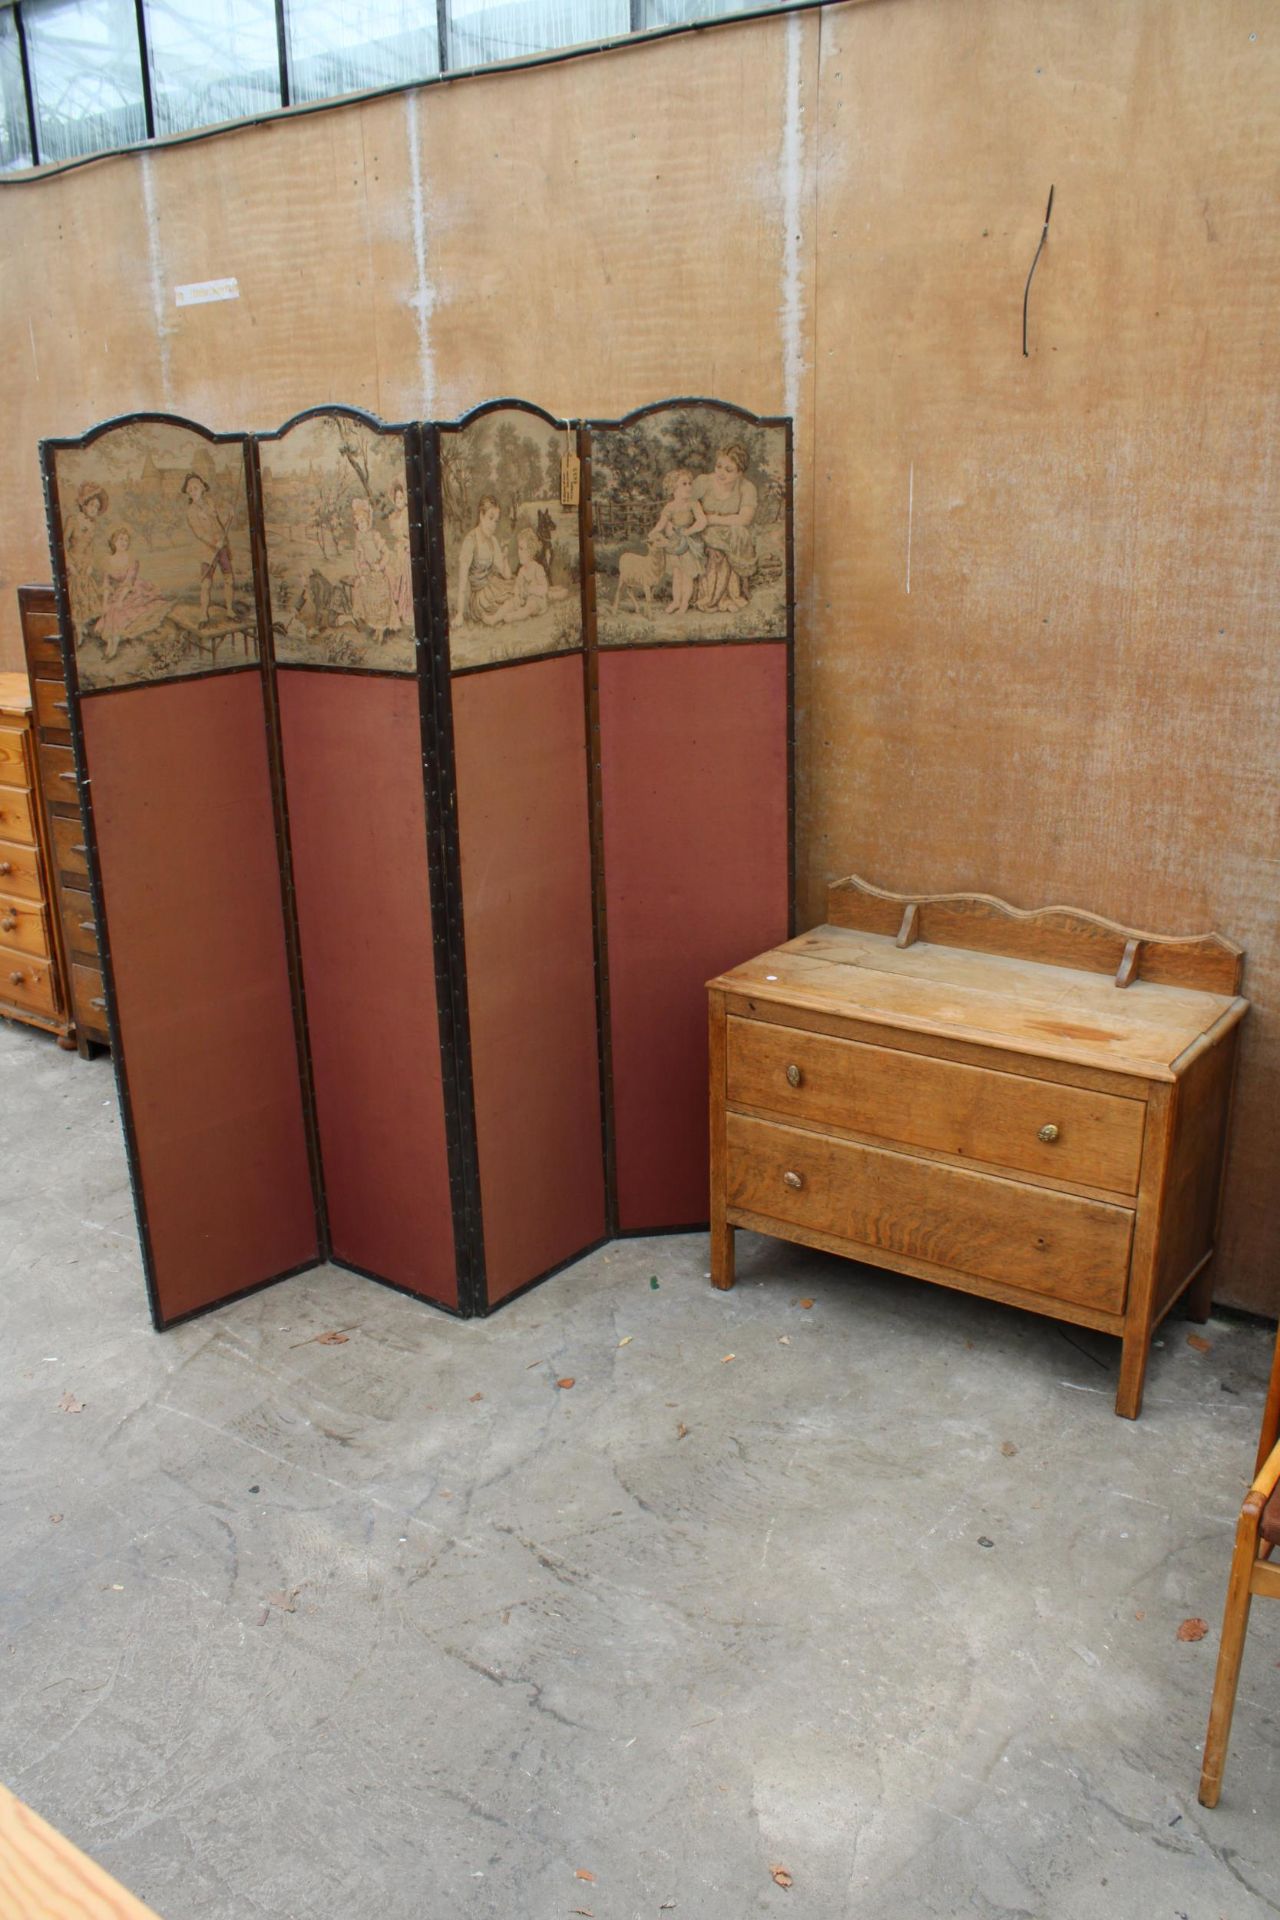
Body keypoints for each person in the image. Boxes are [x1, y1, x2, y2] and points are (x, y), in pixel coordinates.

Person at [692, 442, 758, 612]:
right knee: (716, 550)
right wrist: (702, 518)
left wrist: (712, 518)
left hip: (727, 531)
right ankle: (711, 598)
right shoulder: (704, 482)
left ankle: (730, 596)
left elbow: (744, 518)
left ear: (739, 472)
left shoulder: (746, 488)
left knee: (738, 533)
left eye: (728, 470)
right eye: (719, 466)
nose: (721, 473)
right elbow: (687, 504)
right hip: (703, 530)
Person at [99, 528, 170, 661]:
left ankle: (114, 646)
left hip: (134, 589)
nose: (124, 542)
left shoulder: (132, 559)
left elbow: (129, 581)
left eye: (126, 540)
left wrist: (120, 600)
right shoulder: (107, 560)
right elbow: (106, 585)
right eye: (121, 539)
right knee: (110, 609)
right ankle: (111, 643)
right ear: (114, 541)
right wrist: (104, 603)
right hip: (118, 591)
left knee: (118, 610)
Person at [648, 468, 707, 617]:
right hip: (674, 545)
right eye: (684, 484)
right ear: (674, 488)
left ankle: (684, 603)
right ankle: (676, 601)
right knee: (677, 575)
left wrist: (689, 531)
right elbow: (661, 524)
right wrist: (654, 532)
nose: (688, 487)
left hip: (688, 544)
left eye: (690, 483)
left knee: (687, 576)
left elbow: (702, 521)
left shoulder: (693, 504)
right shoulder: (669, 507)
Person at [182, 472, 235, 622]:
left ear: (203, 487)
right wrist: (213, 542)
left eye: (196, 487)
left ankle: (230, 610)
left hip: (222, 547)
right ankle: (203, 614)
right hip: (207, 551)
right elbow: (199, 533)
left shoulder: (211, 503)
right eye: (190, 489)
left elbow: (219, 524)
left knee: (229, 579)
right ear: (188, 492)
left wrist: (229, 516)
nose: (193, 490)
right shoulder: (191, 511)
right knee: (206, 583)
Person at [455, 494, 515, 626]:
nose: (493, 525)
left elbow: (507, 575)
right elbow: (462, 582)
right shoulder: (470, 541)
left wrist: (505, 558)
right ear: (481, 515)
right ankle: (498, 617)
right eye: (490, 518)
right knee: (514, 599)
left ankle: (501, 616)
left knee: (517, 591)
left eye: (496, 521)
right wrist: (459, 614)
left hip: (493, 587)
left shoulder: (493, 540)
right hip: (479, 597)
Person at [349, 497, 396, 641]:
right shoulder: (359, 538)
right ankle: (376, 629)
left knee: (380, 600)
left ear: (368, 520)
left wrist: (380, 565)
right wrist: (360, 573)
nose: (361, 525)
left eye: (363, 521)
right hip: (366, 574)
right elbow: (357, 558)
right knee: (370, 602)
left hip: (377, 573)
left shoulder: (374, 535)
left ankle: (381, 631)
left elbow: (387, 553)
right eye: (358, 522)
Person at [65, 481, 107, 641]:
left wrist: (89, 564)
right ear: (84, 505)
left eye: (97, 508)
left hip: (84, 562)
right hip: (73, 560)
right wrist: (69, 564)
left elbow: (90, 548)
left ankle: (82, 626)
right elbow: (63, 543)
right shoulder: (73, 520)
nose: (94, 510)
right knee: (74, 594)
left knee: (85, 592)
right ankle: (78, 628)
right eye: (92, 506)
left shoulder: (92, 525)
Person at [387, 482, 413, 629]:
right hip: (400, 550)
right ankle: (401, 610)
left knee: (408, 580)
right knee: (399, 577)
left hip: (409, 549)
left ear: (405, 498)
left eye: (401, 497)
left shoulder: (408, 514)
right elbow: (396, 536)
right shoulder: (394, 517)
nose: (399, 501)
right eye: (396, 499)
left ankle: (409, 610)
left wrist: (409, 544)